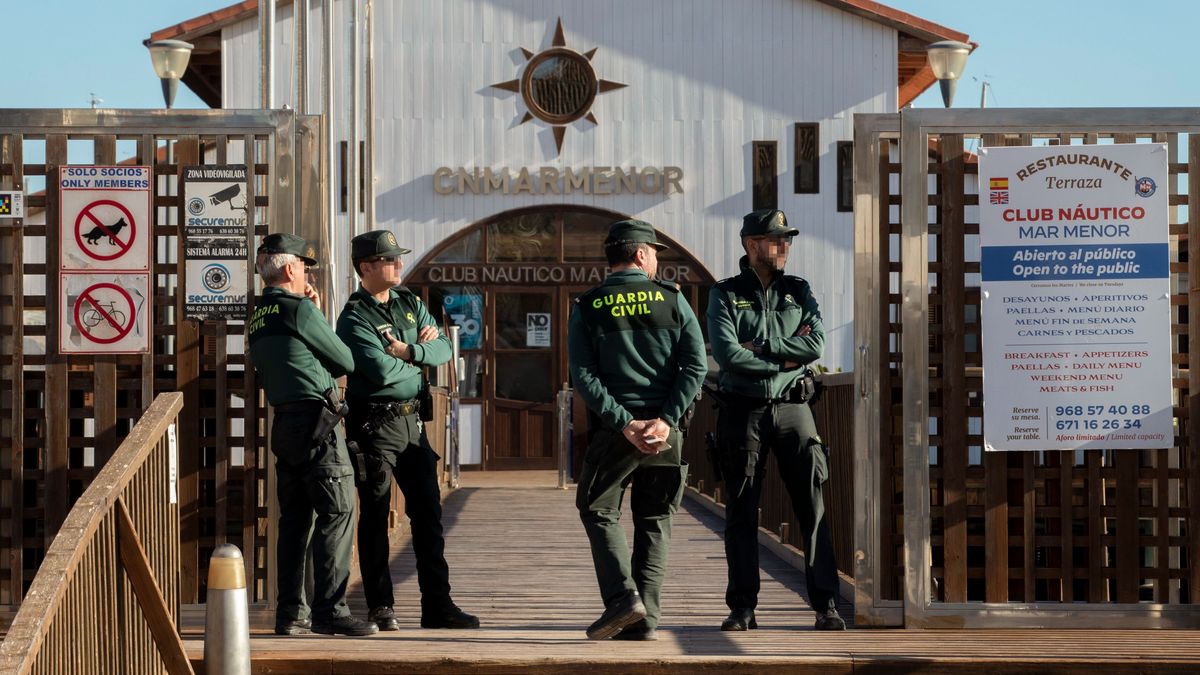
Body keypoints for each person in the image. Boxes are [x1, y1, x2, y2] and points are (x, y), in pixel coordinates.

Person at [706, 209, 846, 632]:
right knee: (742, 512)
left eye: (787, 240)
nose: (784, 246)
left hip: (794, 410)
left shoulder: (797, 291)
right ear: (751, 245)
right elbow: (728, 354)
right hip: (742, 410)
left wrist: (763, 347)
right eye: (775, 240)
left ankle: (826, 605)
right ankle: (742, 607)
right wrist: (785, 358)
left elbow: (816, 344)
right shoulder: (725, 294)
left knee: (813, 509)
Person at [568, 219, 707, 641]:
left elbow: (584, 377)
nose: (655, 263)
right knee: (655, 518)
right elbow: (696, 366)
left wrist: (625, 423)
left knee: (597, 507)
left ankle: (622, 599)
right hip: (666, 433)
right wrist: (665, 420)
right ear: (642, 254)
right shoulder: (672, 300)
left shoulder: (589, 305)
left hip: (616, 432)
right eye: (655, 255)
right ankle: (645, 620)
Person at [336, 229, 480, 631]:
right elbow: (380, 371)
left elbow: (444, 349)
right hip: (374, 425)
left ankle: (438, 605)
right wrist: (416, 363)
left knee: (428, 514)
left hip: (412, 423)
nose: (398, 264)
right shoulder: (354, 317)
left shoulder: (409, 302)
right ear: (366, 267)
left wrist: (411, 352)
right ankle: (381, 606)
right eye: (389, 259)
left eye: (398, 258)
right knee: (377, 514)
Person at [247, 233, 378, 637]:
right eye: (304, 267)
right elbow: (344, 360)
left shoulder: (258, 314)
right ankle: (331, 611)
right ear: (290, 269)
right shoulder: (297, 308)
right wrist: (314, 312)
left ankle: (291, 614)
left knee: (295, 521)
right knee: (337, 514)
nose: (306, 274)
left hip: (285, 424)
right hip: (318, 423)